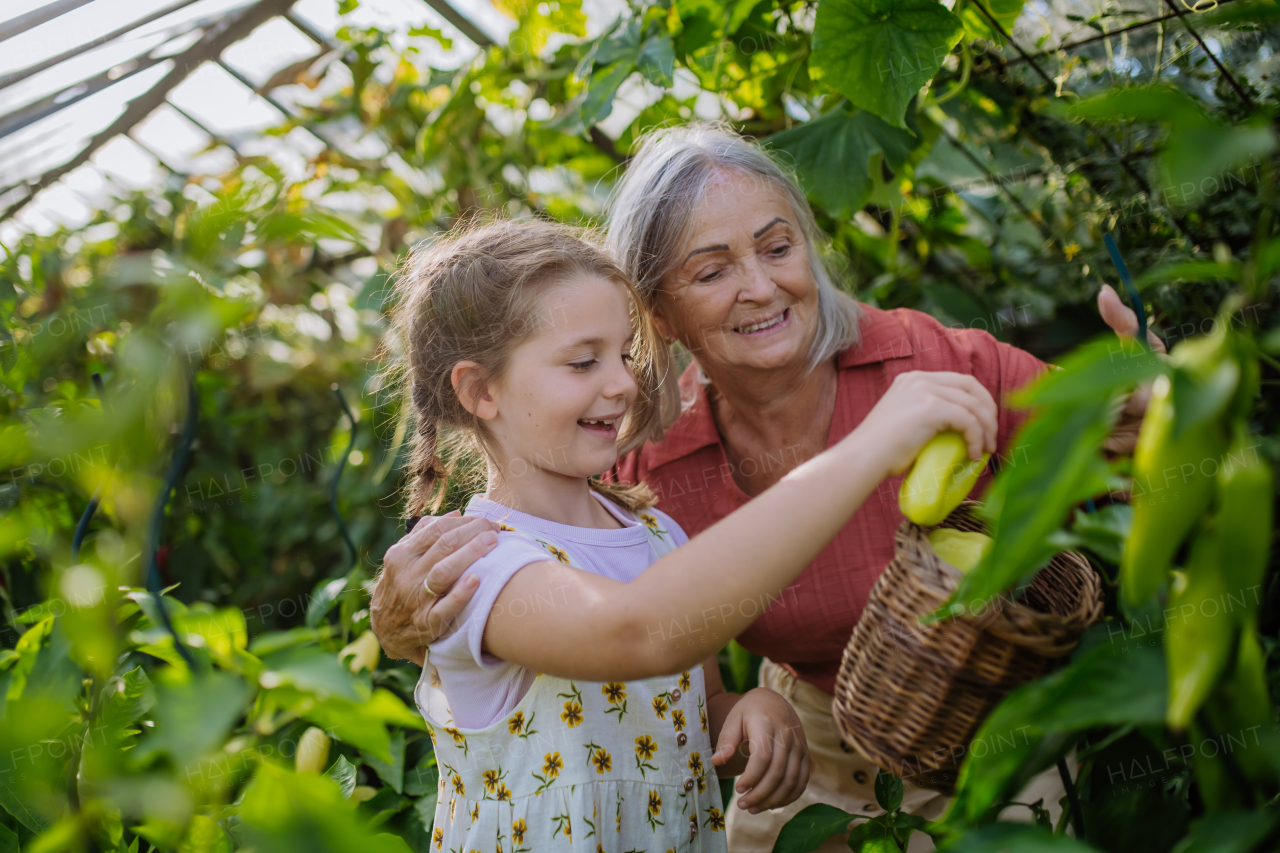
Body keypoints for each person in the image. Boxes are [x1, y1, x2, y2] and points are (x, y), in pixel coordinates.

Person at [372, 125, 1164, 852]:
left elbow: (1104, 452)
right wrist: (400, 618)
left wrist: (1144, 421)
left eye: (777, 248)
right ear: (663, 315)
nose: (759, 286)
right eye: (712, 270)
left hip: (995, 740)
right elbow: (621, 625)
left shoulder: (924, 364)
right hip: (815, 758)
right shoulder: (640, 466)